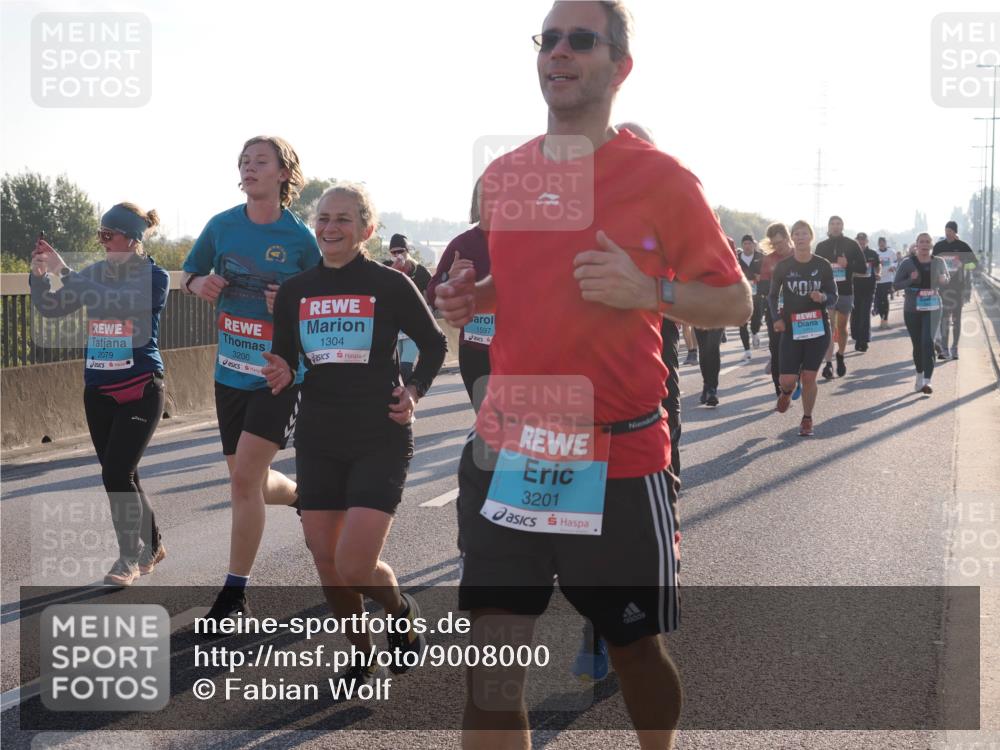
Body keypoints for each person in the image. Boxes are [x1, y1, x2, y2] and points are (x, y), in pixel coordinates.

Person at [434, 2, 750, 747]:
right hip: (513, 449)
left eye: (581, 39)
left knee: (634, 649)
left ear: (620, 67)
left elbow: (734, 299)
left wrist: (649, 291)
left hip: (616, 454)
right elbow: (520, 281)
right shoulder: (508, 175)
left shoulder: (662, 180)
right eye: (548, 39)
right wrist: (469, 298)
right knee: (492, 671)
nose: (559, 51)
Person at [264, 183, 447, 688]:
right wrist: (280, 371)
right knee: (327, 560)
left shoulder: (389, 285)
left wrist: (413, 391)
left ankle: (399, 609)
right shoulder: (297, 290)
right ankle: (362, 654)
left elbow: (433, 345)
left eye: (344, 219)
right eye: (323, 218)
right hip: (320, 435)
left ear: (367, 229)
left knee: (354, 563)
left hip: (380, 436)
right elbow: (286, 357)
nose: (330, 227)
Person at [181, 135, 321, 624]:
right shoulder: (221, 227)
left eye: (260, 161)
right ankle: (301, 495)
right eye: (244, 161)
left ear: (283, 174)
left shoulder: (301, 239)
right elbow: (189, 273)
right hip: (229, 373)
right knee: (251, 484)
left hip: (278, 376)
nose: (249, 168)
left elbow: (321, 305)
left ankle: (234, 594)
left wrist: (290, 304)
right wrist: (200, 283)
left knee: (243, 481)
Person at [30, 204, 169, 585]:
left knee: (115, 472)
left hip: (141, 387)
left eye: (110, 235)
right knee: (124, 475)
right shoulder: (94, 273)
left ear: (133, 239)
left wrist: (64, 270)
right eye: (100, 235)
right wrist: (39, 276)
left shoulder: (155, 278)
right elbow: (53, 307)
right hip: (99, 390)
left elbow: (117, 302)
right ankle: (153, 544)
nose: (103, 242)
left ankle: (128, 559)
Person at [426, 181, 491, 411]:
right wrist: (448, 278)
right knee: (488, 422)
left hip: (517, 351)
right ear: (476, 202)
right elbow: (432, 294)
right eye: (486, 195)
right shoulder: (462, 245)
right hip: (475, 350)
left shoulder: (523, 241)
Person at [769, 221, 838, 437]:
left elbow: (833, 295)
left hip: (817, 326)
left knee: (809, 377)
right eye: (796, 234)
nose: (800, 237)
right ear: (792, 238)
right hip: (791, 327)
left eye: (804, 233)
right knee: (787, 379)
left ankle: (807, 418)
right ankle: (787, 392)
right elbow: (772, 296)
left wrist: (823, 297)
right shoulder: (783, 266)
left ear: (811, 236)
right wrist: (776, 318)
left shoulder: (823, 264)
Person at [893, 233, 949, 394]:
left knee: (927, 342)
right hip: (912, 309)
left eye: (927, 242)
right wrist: (911, 279)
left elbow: (946, 279)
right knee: (917, 345)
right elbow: (896, 285)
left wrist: (943, 279)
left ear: (931, 245)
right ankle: (919, 374)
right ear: (916, 245)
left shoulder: (939, 262)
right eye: (921, 242)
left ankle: (927, 381)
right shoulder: (907, 263)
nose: (924, 244)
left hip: (933, 307)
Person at [815, 216, 867, 378]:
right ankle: (828, 364)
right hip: (827, 292)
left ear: (842, 226)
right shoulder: (821, 246)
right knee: (829, 327)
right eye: (832, 224)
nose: (835, 227)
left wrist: (848, 264)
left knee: (842, 328)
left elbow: (864, 268)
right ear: (828, 227)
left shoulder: (851, 244)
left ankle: (841, 355)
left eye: (838, 224)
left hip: (845, 292)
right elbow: (814, 269)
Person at [386, 234, 432, 379]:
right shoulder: (386, 268)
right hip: (396, 328)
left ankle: (412, 394)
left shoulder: (420, 272)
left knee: (406, 367)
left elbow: (430, 297)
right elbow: (380, 292)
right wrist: (394, 270)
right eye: (394, 252)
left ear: (408, 251)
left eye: (401, 251)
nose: (398, 255)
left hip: (415, 327)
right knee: (397, 369)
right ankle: (406, 397)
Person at [932, 221, 978, 360]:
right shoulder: (939, 246)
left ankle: (955, 348)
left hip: (958, 288)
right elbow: (932, 263)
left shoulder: (962, 246)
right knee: (944, 318)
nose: (948, 233)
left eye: (950, 231)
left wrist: (963, 264)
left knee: (956, 319)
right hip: (942, 288)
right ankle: (944, 348)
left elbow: (974, 264)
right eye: (946, 230)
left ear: (955, 232)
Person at [758, 222, 794, 396]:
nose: (778, 247)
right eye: (774, 244)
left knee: (798, 351)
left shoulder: (800, 255)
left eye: (780, 242)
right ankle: (779, 391)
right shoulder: (769, 259)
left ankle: (797, 378)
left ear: (788, 238)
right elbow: (764, 288)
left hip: (800, 312)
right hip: (776, 312)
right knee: (776, 350)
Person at [849, 232, 880, 352]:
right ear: (856, 241)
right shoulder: (851, 254)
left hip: (869, 287)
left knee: (865, 314)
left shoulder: (872, 253)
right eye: (859, 240)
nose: (861, 242)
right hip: (853, 288)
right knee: (855, 315)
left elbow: (878, 266)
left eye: (863, 240)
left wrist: (878, 273)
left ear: (867, 241)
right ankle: (857, 338)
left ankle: (864, 340)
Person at [736, 234, 764, 361]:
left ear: (754, 244)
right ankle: (747, 350)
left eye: (750, 243)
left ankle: (755, 333)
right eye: (745, 244)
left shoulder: (760, 257)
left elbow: (769, 272)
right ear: (742, 245)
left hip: (757, 294)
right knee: (742, 323)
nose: (747, 246)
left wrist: (761, 277)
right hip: (742, 295)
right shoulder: (736, 258)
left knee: (756, 319)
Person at [874, 237, 896, 328]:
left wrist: (893, 267)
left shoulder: (891, 252)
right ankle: (882, 318)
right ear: (878, 244)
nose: (882, 244)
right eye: (880, 242)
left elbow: (895, 262)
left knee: (884, 298)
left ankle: (885, 320)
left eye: (883, 242)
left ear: (886, 243)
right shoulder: (875, 253)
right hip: (878, 279)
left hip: (888, 279)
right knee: (878, 300)